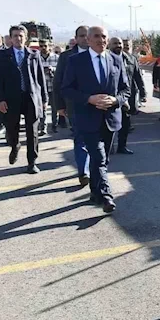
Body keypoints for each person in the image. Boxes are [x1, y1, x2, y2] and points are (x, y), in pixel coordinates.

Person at [61, 26, 130, 213]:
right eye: (97, 36)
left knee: (102, 159)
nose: (101, 40)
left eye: (104, 36)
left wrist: (115, 100)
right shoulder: (76, 61)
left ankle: (95, 191)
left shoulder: (116, 60)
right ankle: (106, 195)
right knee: (98, 157)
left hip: (110, 119)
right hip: (87, 118)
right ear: (88, 40)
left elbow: (125, 89)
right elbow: (66, 89)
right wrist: (89, 99)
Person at [0, 24, 47, 174]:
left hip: (31, 97)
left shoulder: (34, 54)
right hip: (11, 98)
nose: (18, 38)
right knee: (12, 127)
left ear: (26, 38)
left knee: (32, 130)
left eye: (21, 36)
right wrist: (0, 100)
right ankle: (15, 145)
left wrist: (44, 99)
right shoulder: (3, 56)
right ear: (10, 38)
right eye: (15, 36)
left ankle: (32, 162)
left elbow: (40, 78)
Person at [54, 26, 90, 186]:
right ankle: (84, 171)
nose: (85, 38)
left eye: (87, 35)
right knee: (80, 139)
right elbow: (58, 81)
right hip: (75, 105)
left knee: (96, 140)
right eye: (81, 36)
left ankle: (94, 168)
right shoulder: (66, 57)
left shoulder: (100, 54)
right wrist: (59, 106)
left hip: (98, 105)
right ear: (76, 38)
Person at [109, 37, 145, 154]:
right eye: (115, 43)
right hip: (111, 97)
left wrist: (142, 92)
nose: (119, 46)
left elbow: (138, 76)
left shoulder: (131, 59)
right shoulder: (105, 58)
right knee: (110, 124)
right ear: (109, 45)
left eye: (121, 44)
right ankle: (109, 148)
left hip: (127, 96)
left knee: (125, 124)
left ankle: (122, 146)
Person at [38, 39, 59, 135]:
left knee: (55, 108)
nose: (43, 48)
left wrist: (52, 69)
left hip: (53, 86)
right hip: (42, 88)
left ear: (49, 46)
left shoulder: (56, 57)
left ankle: (54, 126)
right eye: (41, 46)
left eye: (45, 46)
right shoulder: (36, 57)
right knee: (43, 108)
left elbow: (61, 70)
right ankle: (43, 128)